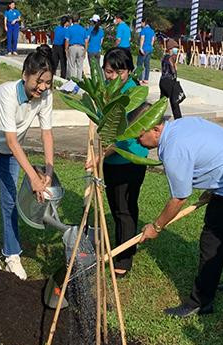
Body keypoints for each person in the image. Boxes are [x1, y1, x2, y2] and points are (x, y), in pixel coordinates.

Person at [134, 107, 223, 317]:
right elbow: (211, 153)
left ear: (157, 129)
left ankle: (200, 302)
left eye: (139, 135)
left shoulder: (174, 148)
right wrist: (214, 188)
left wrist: (156, 226)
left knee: (211, 243)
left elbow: (179, 198)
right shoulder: (180, 125)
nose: (137, 141)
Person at [0, 45, 55, 280]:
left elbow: (46, 133)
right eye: (38, 81)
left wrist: (48, 170)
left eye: (47, 82)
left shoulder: (46, 96)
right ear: (24, 74)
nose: (42, 88)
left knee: (10, 200)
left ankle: (12, 254)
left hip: (11, 149)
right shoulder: (5, 94)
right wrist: (33, 178)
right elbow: (10, 139)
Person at [86, 47, 149, 278]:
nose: (112, 76)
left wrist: (99, 157)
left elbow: (124, 138)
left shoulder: (133, 96)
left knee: (124, 209)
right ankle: (127, 244)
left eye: (118, 72)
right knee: (119, 207)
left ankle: (123, 258)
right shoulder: (108, 93)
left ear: (129, 71)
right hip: (112, 161)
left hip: (129, 160)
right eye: (108, 71)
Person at [160, 38, 183, 119]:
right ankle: (179, 119)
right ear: (171, 49)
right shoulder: (170, 58)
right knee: (174, 102)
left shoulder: (164, 57)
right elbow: (173, 70)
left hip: (162, 81)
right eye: (175, 49)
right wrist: (175, 68)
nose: (176, 51)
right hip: (169, 81)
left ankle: (158, 117)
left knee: (162, 101)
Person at [66, 14, 87, 79]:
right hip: (81, 48)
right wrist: (85, 50)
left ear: (71, 21)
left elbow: (67, 40)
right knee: (80, 66)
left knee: (72, 66)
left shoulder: (69, 29)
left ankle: (72, 81)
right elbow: (86, 41)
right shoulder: (83, 29)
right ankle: (79, 81)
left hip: (72, 47)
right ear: (79, 21)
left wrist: (66, 49)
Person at [137, 18, 155, 84]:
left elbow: (142, 38)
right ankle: (146, 79)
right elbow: (153, 40)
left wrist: (141, 48)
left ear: (144, 22)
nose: (141, 24)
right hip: (149, 49)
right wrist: (151, 47)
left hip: (144, 49)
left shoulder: (143, 30)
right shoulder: (152, 31)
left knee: (139, 64)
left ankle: (140, 79)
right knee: (147, 64)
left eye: (141, 22)